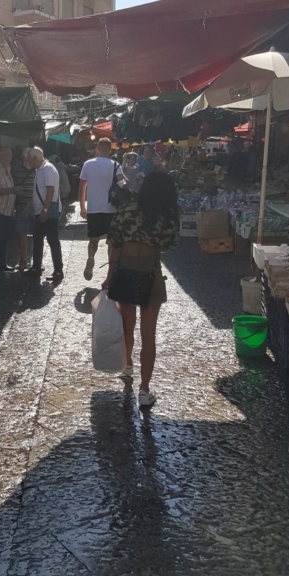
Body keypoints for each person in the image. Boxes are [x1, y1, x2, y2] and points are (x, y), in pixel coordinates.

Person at [102, 170, 179, 410]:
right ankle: (144, 390)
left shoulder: (126, 209)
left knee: (127, 323)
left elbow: (114, 243)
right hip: (150, 272)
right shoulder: (167, 215)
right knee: (149, 334)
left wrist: (108, 277)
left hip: (125, 269)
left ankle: (127, 365)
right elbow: (169, 244)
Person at [78, 138, 126, 282]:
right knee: (112, 242)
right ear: (109, 150)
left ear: (97, 149)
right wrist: (127, 180)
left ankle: (91, 258)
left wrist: (82, 207)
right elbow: (123, 184)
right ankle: (110, 273)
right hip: (111, 209)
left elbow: (82, 188)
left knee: (94, 240)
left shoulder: (88, 164)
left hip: (93, 208)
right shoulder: (115, 165)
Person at [25, 147, 63, 285]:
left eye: (29, 159)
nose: (27, 161)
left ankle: (58, 270)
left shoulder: (47, 169)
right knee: (38, 238)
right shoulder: (41, 169)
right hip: (43, 210)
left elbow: (50, 190)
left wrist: (45, 210)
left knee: (52, 240)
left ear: (35, 158)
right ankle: (36, 267)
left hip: (48, 210)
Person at [12, 146, 35, 271]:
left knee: (38, 234)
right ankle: (23, 259)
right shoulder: (16, 170)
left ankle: (37, 261)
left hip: (35, 207)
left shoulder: (38, 170)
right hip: (21, 206)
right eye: (25, 159)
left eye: (29, 159)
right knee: (21, 234)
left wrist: (30, 204)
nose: (27, 161)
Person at [50, 155, 71, 226]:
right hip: (65, 184)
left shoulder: (53, 166)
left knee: (61, 201)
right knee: (64, 200)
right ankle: (63, 214)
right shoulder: (62, 165)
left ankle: (61, 215)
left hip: (60, 185)